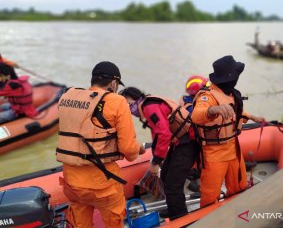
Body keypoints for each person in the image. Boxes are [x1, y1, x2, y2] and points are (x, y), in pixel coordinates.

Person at [56, 61, 145, 228]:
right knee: (114, 220)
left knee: (79, 223)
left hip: (72, 182)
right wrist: (136, 149)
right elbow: (129, 151)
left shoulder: (68, 97)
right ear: (113, 83)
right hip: (103, 185)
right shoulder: (117, 102)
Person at [191, 55, 265, 207]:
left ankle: (237, 215)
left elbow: (236, 114)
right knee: (210, 196)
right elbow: (196, 116)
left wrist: (252, 117)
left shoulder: (231, 93)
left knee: (239, 187)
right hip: (214, 154)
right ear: (231, 78)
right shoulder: (207, 96)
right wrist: (213, 110)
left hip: (234, 149)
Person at [120, 87, 198, 220]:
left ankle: (180, 217)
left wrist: (156, 162)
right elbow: (157, 134)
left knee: (173, 185)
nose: (129, 108)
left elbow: (163, 134)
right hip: (178, 142)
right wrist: (157, 157)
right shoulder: (148, 105)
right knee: (166, 175)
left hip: (187, 143)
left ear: (137, 98)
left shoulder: (149, 108)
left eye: (128, 103)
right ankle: (173, 206)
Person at [179, 75, 209, 192]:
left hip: (192, 138)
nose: (208, 89)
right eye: (206, 87)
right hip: (194, 139)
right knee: (198, 159)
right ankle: (194, 177)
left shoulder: (187, 101)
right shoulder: (192, 107)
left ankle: (195, 174)